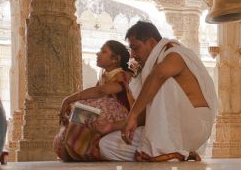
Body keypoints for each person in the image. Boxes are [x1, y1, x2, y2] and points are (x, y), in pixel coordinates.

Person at [98, 21, 217, 162]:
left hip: (193, 128)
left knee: (160, 79)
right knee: (107, 145)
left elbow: (158, 76)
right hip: (167, 130)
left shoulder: (174, 54)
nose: (132, 56)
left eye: (135, 48)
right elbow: (145, 116)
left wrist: (132, 115)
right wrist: (112, 126)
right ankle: (175, 153)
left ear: (151, 42)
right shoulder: (151, 68)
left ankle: (166, 152)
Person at [54, 40, 134, 161]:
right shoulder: (103, 74)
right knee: (79, 108)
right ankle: (74, 147)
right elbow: (95, 94)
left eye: (103, 51)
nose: (97, 54)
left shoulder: (123, 76)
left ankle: (87, 148)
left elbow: (100, 91)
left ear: (115, 59)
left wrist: (68, 99)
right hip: (106, 117)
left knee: (91, 105)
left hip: (123, 118)